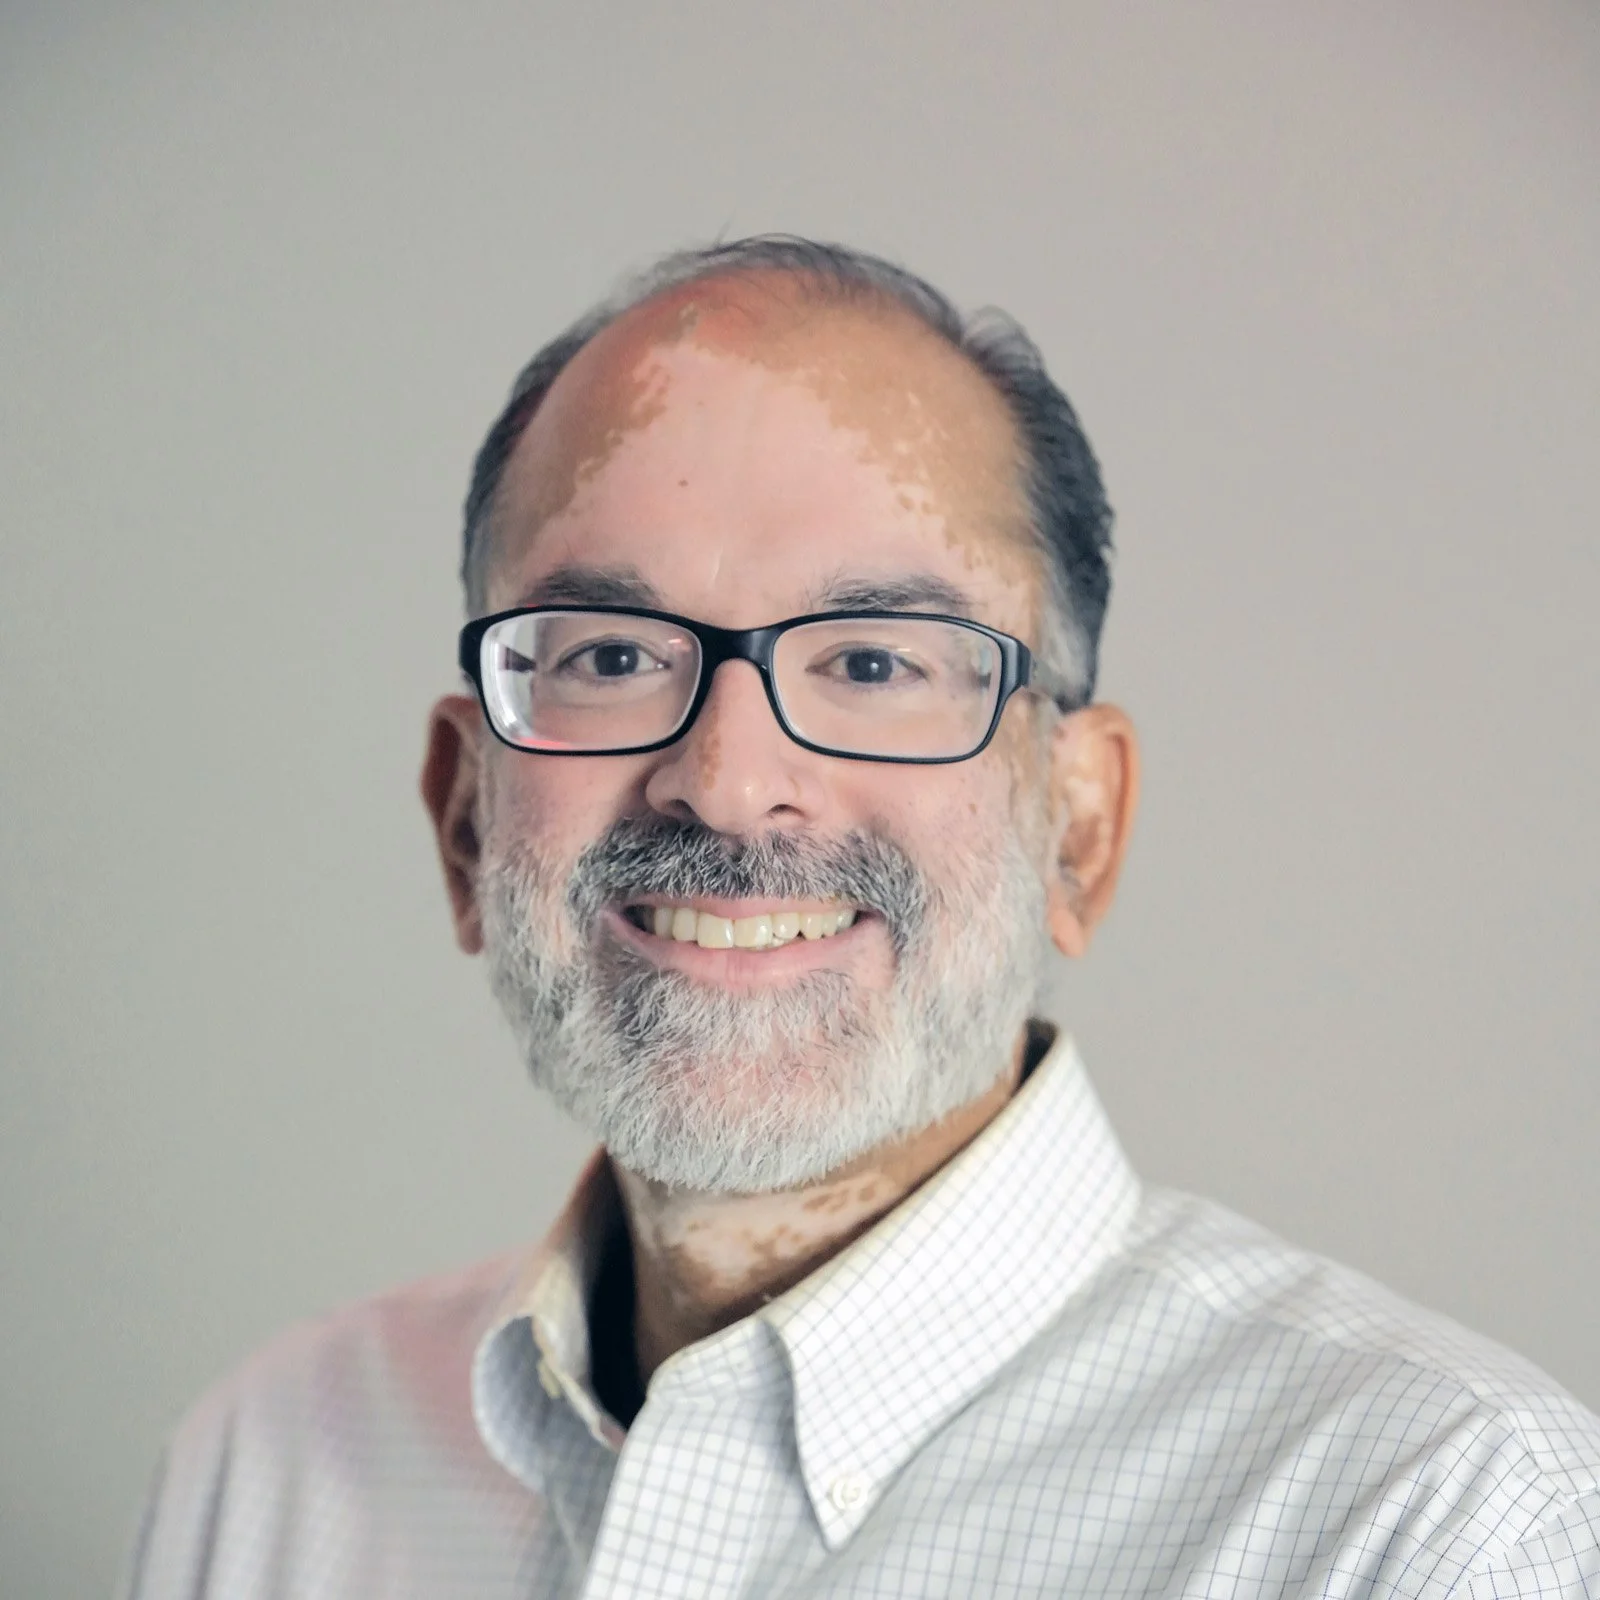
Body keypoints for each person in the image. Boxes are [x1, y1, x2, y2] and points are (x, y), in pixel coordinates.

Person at [121, 237, 1600, 1599]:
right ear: (463, 816)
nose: (726, 781)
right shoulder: (267, 1470)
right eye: (615, 653)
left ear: (1077, 828)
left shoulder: (1436, 1523)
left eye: (880, 664)